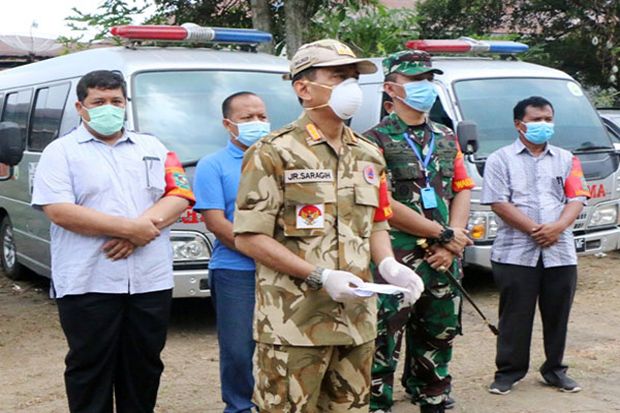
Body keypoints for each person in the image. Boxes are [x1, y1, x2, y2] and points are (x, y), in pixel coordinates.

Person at [232, 39, 425, 412]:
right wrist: (321, 276)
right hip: (295, 325)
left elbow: (377, 221)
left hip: (358, 322)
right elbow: (250, 237)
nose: (350, 86)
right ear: (303, 88)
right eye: (338, 77)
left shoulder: (368, 153)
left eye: (353, 77)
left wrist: (388, 265)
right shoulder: (273, 151)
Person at [31, 70, 195, 413]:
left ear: (126, 104)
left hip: (150, 281)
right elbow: (59, 210)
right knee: (90, 369)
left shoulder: (153, 146)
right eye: (99, 102)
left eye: (116, 101)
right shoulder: (60, 152)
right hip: (89, 282)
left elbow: (179, 192)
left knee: (145, 367)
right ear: (81, 107)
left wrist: (139, 232)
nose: (110, 108)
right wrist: (129, 229)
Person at [364, 50, 475, 413]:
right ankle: (378, 402)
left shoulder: (445, 136)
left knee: (439, 330)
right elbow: (383, 205)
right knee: (385, 336)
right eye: (415, 81)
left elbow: (462, 188)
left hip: (444, 256)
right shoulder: (371, 141)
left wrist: (453, 239)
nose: (424, 88)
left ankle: (432, 394)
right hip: (396, 256)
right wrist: (441, 234)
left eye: (428, 80)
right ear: (391, 89)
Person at [482, 96, 589, 395]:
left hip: (561, 251)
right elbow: (498, 202)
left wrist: (557, 227)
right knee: (515, 316)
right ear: (519, 124)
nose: (544, 125)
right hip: (515, 251)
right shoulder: (500, 159)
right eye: (537, 120)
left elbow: (577, 198)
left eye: (548, 119)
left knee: (558, 314)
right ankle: (508, 372)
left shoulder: (568, 159)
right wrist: (533, 229)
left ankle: (555, 370)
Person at [193, 91, 270, 413]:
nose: (257, 123)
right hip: (236, 270)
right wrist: (264, 253)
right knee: (238, 348)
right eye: (247, 118)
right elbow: (216, 222)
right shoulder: (212, 165)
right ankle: (239, 407)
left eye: (261, 116)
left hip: (286, 269)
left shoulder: (280, 159)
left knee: (281, 345)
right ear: (228, 124)